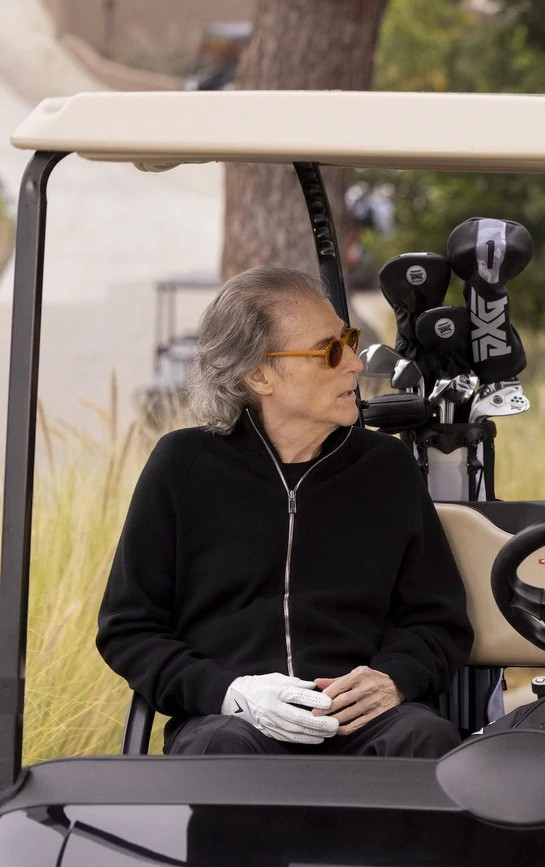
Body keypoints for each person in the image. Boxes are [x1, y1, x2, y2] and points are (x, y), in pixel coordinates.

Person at [98, 266, 471, 758]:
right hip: (232, 723)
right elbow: (129, 629)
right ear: (258, 374)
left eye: (350, 341)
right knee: (218, 751)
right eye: (330, 351)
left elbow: (438, 621)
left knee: (425, 738)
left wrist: (393, 679)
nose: (355, 365)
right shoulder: (182, 466)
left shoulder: (388, 468)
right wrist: (230, 694)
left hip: (362, 723)